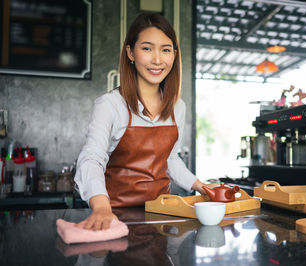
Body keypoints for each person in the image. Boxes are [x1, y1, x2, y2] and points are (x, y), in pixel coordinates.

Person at [74, 13, 218, 231]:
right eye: (147, 48)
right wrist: (101, 207)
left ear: (174, 55)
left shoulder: (178, 107)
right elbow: (92, 158)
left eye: (166, 49)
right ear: (131, 53)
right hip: (114, 217)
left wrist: (200, 186)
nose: (158, 60)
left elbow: (170, 159)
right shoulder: (110, 105)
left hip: (161, 217)